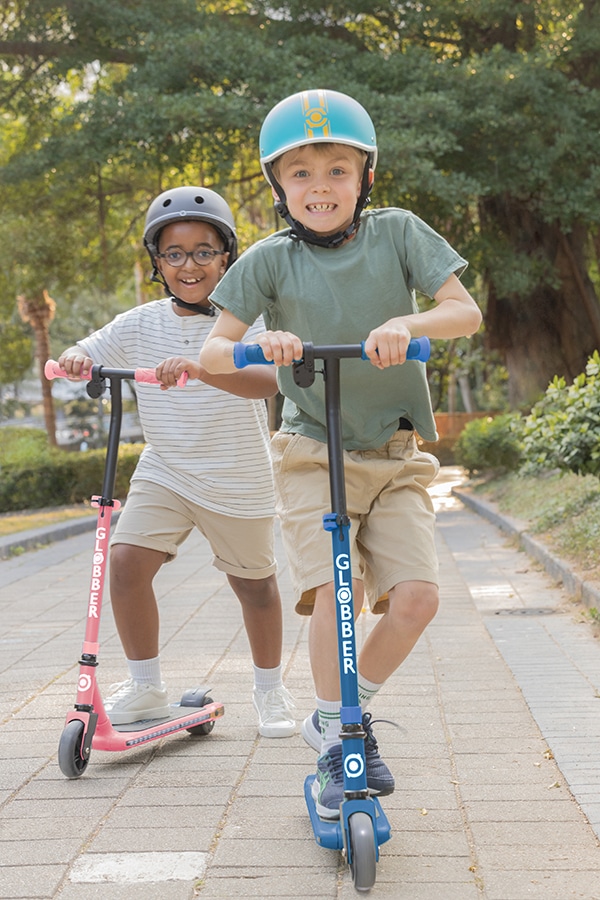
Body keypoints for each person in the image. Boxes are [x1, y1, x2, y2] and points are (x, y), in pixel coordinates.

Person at [199, 89, 482, 817]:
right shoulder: (267, 261)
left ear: (365, 179)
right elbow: (214, 350)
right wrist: (262, 341)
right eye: (300, 173)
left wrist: (405, 320)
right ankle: (342, 740)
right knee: (338, 591)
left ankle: (335, 720)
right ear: (277, 186)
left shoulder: (399, 234)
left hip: (394, 453)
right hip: (309, 449)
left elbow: (464, 312)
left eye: (336, 170)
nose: (319, 186)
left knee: (418, 599)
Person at [57, 185, 296, 738]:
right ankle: (146, 686)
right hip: (167, 469)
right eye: (175, 254)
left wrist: (202, 365)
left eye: (203, 251)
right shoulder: (141, 323)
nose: (189, 265)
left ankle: (270, 689)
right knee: (125, 564)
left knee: (255, 586)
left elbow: (267, 383)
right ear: (157, 263)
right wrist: (75, 357)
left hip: (237, 474)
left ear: (226, 257)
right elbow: (88, 351)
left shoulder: (246, 321)